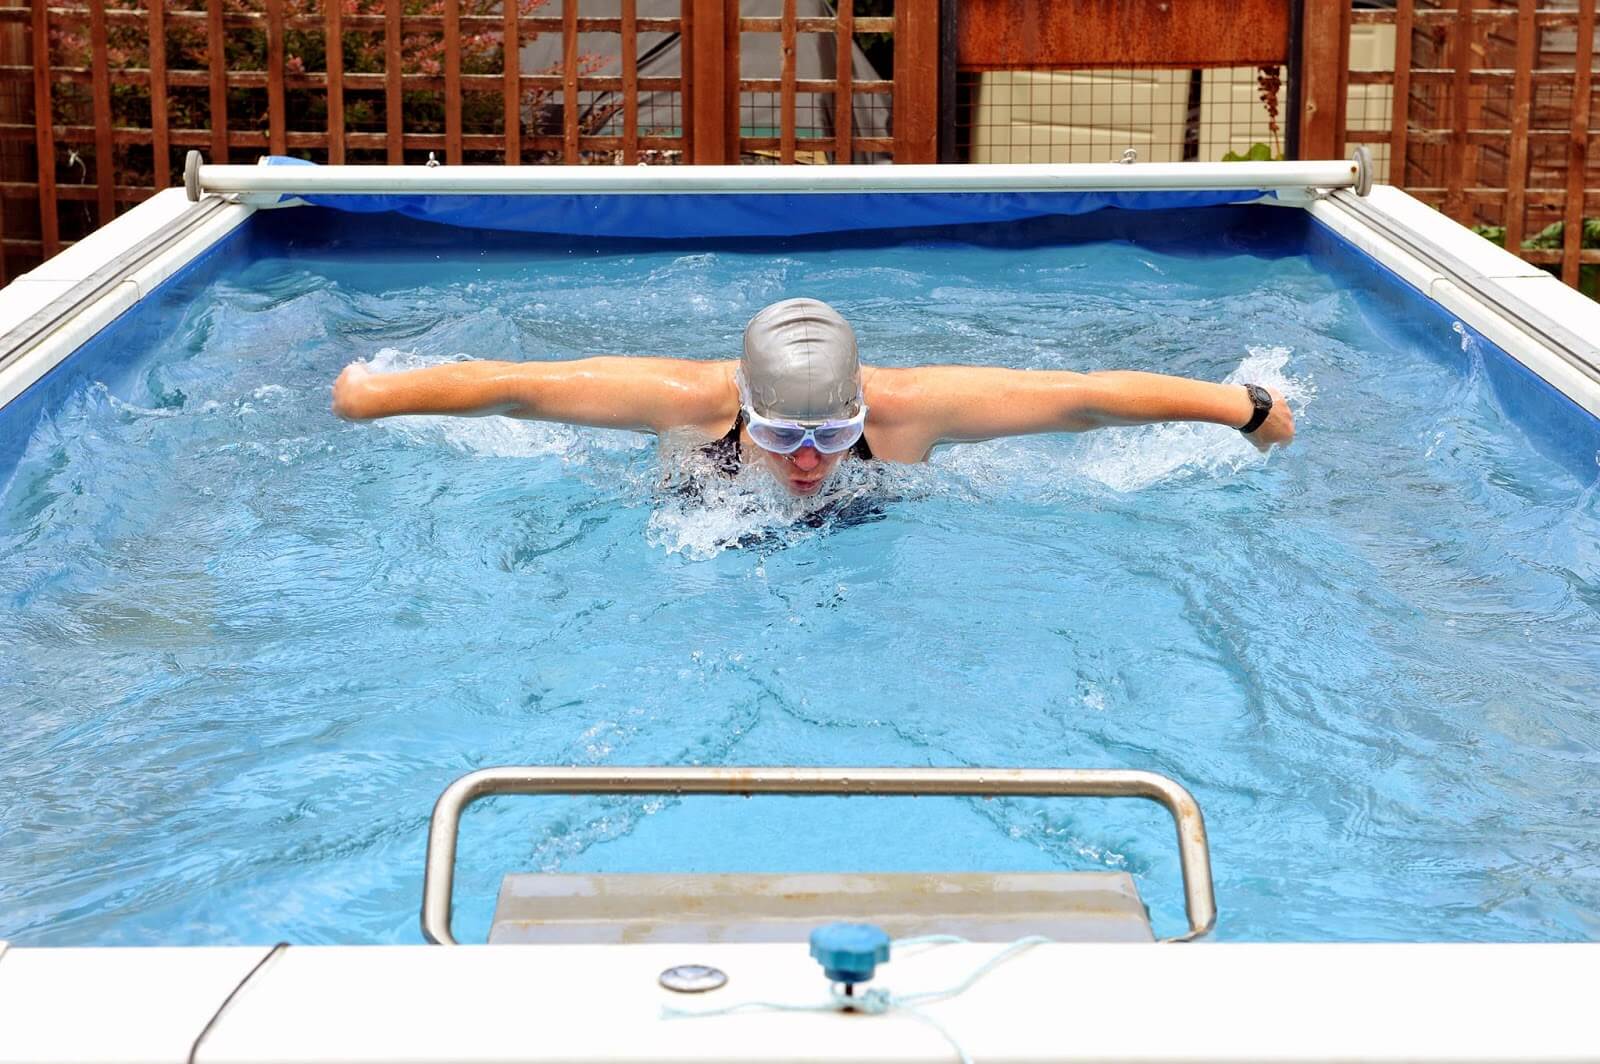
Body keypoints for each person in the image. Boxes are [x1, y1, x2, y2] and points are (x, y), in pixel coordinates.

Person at [332, 297, 1294, 497]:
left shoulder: (916, 408)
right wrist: (372, 396)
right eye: (784, 432)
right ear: (742, 407)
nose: (805, 460)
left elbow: (1086, 399)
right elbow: (514, 391)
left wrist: (1243, 408)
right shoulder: (681, 399)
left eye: (834, 435)